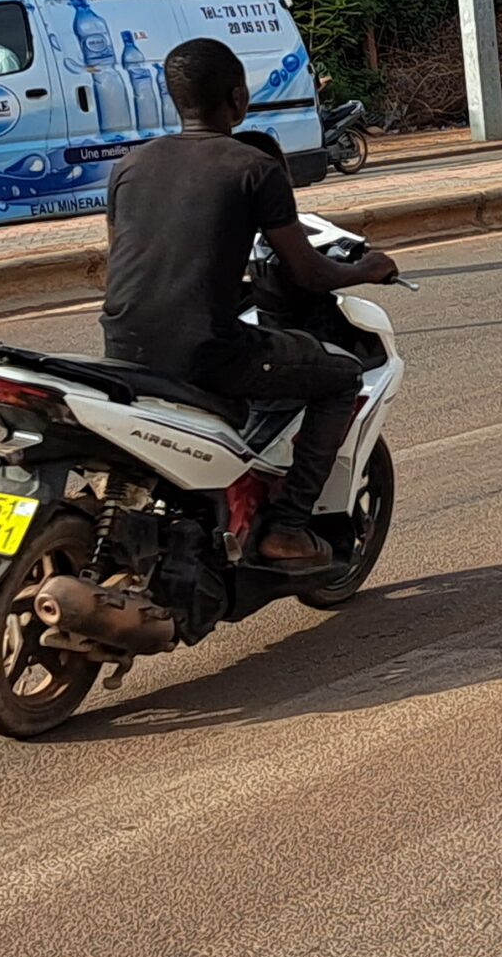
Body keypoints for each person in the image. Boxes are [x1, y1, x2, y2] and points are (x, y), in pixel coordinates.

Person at [99, 38, 398, 571]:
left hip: (123, 347)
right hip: (208, 352)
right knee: (339, 376)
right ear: (237, 99)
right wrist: (366, 270)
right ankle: (287, 528)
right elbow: (307, 271)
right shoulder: (255, 169)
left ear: (176, 99)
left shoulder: (130, 166)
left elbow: (143, 256)